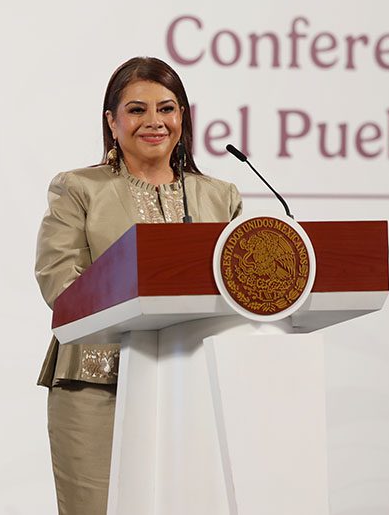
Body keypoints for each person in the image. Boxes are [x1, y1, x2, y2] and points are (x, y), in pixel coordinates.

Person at [35, 56, 243, 514]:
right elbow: (60, 285)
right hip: (95, 385)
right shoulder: (78, 188)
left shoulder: (220, 197)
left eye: (166, 109)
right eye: (136, 110)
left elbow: (239, 292)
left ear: (182, 118)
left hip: (193, 387)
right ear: (112, 122)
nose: (154, 121)